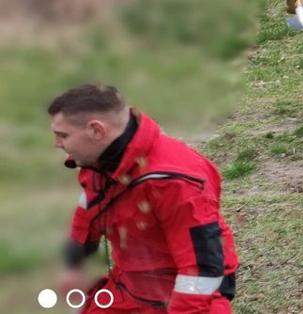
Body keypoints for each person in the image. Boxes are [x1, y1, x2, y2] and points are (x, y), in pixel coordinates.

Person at [50, 84, 239, 313]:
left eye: (63, 135)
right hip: (132, 283)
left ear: (97, 131)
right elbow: (87, 212)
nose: (57, 143)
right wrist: (74, 265)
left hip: (188, 293)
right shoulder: (99, 162)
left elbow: (201, 270)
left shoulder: (175, 182)